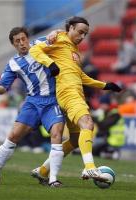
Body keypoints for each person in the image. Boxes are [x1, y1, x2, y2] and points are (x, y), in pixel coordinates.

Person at [29, 16, 122, 182]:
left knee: (74, 139)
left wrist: (105, 85)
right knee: (88, 123)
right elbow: (34, 50)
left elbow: (80, 76)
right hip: (68, 93)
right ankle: (90, 168)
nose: (82, 37)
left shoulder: (75, 51)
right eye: (80, 32)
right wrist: (50, 63)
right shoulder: (58, 39)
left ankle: (43, 171)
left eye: (85, 34)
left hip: (73, 94)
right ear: (70, 28)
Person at [0, 27, 65, 187]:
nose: (22, 43)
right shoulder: (13, 63)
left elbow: (62, 34)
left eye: (23, 39)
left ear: (28, 38)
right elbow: (2, 88)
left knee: (56, 134)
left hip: (52, 100)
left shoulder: (40, 43)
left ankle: (53, 179)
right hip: (32, 102)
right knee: (13, 136)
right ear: (13, 44)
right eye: (17, 41)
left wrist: (56, 32)